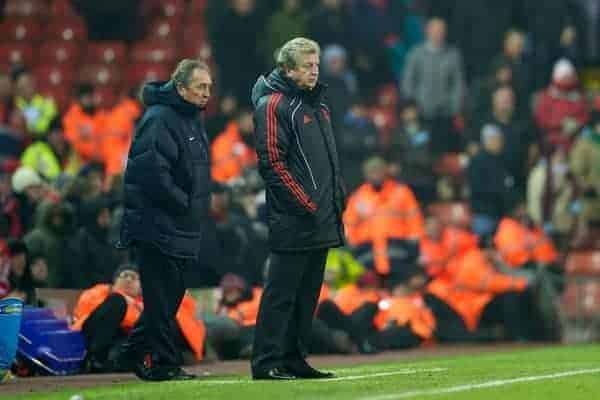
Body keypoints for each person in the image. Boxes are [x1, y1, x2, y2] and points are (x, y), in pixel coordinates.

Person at [250, 37, 345, 380]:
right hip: (295, 217)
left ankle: (293, 358)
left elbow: (328, 162)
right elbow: (272, 163)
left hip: (320, 216)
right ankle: (266, 361)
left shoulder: (317, 105)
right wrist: (306, 203)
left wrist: (335, 198)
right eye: (307, 65)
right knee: (281, 293)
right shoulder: (274, 104)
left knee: (307, 296)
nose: (314, 70)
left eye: (316, 64)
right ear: (288, 69)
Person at [117, 59, 213, 381]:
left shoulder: (190, 119)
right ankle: (163, 363)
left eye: (209, 87)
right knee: (161, 298)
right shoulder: (160, 118)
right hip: (156, 223)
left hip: (180, 225)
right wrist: (184, 203)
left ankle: (132, 351)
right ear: (181, 87)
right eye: (200, 86)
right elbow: (151, 173)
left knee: (169, 297)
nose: (206, 93)